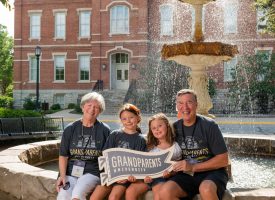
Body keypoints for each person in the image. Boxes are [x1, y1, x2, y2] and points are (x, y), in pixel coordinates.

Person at [158, 89, 229, 200]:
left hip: (212, 173)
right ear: (177, 106)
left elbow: (223, 160)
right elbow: (165, 152)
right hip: (186, 175)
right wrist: (167, 170)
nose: (185, 107)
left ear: (196, 104)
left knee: (206, 189)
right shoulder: (173, 128)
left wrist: (193, 167)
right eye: (180, 103)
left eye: (189, 102)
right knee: (165, 191)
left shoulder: (210, 125)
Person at [56, 92, 111, 200]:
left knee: (78, 194)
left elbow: (108, 157)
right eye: (89, 105)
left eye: (96, 107)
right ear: (82, 107)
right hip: (71, 173)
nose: (92, 109)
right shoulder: (70, 129)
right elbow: (63, 155)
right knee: (63, 195)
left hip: (92, 173)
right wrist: (62, 177)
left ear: (100, 111)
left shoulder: (104, 130)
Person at [90, 103, 147, 200]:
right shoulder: (115, 134)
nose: (128, 121)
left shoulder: (140, 140)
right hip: (111, 174)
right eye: (124, 119)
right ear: (121, 121)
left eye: (131, 117)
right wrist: (110, 173)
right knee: (94, 197)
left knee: (113, 197)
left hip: (125, 178)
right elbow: (105, 156)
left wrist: (130, 176)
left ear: (138, 117)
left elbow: (139, 164)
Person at [125, 113, 182, 200]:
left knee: (158, 195)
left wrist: (170, 173)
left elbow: (178, 167)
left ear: (167, 126)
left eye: (160, 126)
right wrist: (144, 177)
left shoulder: (175, 147)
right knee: (130, 191)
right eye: (154, 128)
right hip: (148, 178)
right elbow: (142, 164)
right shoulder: (149, 146)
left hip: (162, 178)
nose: (157, 130)